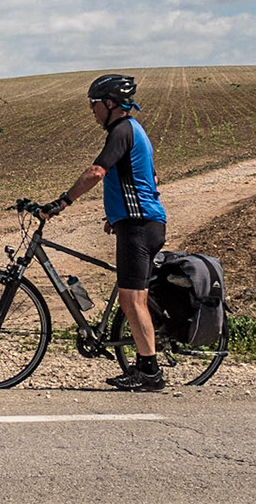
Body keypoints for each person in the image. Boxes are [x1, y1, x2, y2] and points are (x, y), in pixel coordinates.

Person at [42, 73, 168, 390]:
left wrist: (63, 202)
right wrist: (117, 215)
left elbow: (97, 172)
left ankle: (150, 372)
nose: (92, 111)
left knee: (132, 300)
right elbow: (140, 179)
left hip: (139, 227)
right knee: (130, 298)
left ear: (110, 104)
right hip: (137, 223)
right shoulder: (130, 131)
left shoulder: (122, 130)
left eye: (95, 104)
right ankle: (143, 366)